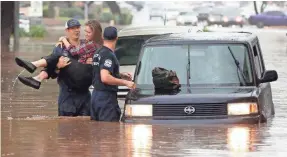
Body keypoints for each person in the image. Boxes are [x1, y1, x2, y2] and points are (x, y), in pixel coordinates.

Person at [16, 19, 103, 116]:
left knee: (86, 127)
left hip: (84, 94)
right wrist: (58, 67)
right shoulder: (60, 47)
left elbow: (100, 59)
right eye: (72, 28)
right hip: (67, 95)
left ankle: (37, 74)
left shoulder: (86, 44)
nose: (76, 30)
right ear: (67, 31)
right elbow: (53, 72)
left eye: (78, 27)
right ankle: (37, 75)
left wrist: (93, 60)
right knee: (65, 127)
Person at [91, 26, 135, 122]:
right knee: (109, 132)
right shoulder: (108, 54)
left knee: (97, 132)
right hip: (106, 99)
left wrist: (119, 74)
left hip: (95, 97)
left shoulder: (98, 52)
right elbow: (105, 78)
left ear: (103, 37)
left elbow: (100, 72)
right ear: (116, 38)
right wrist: (125, 83)